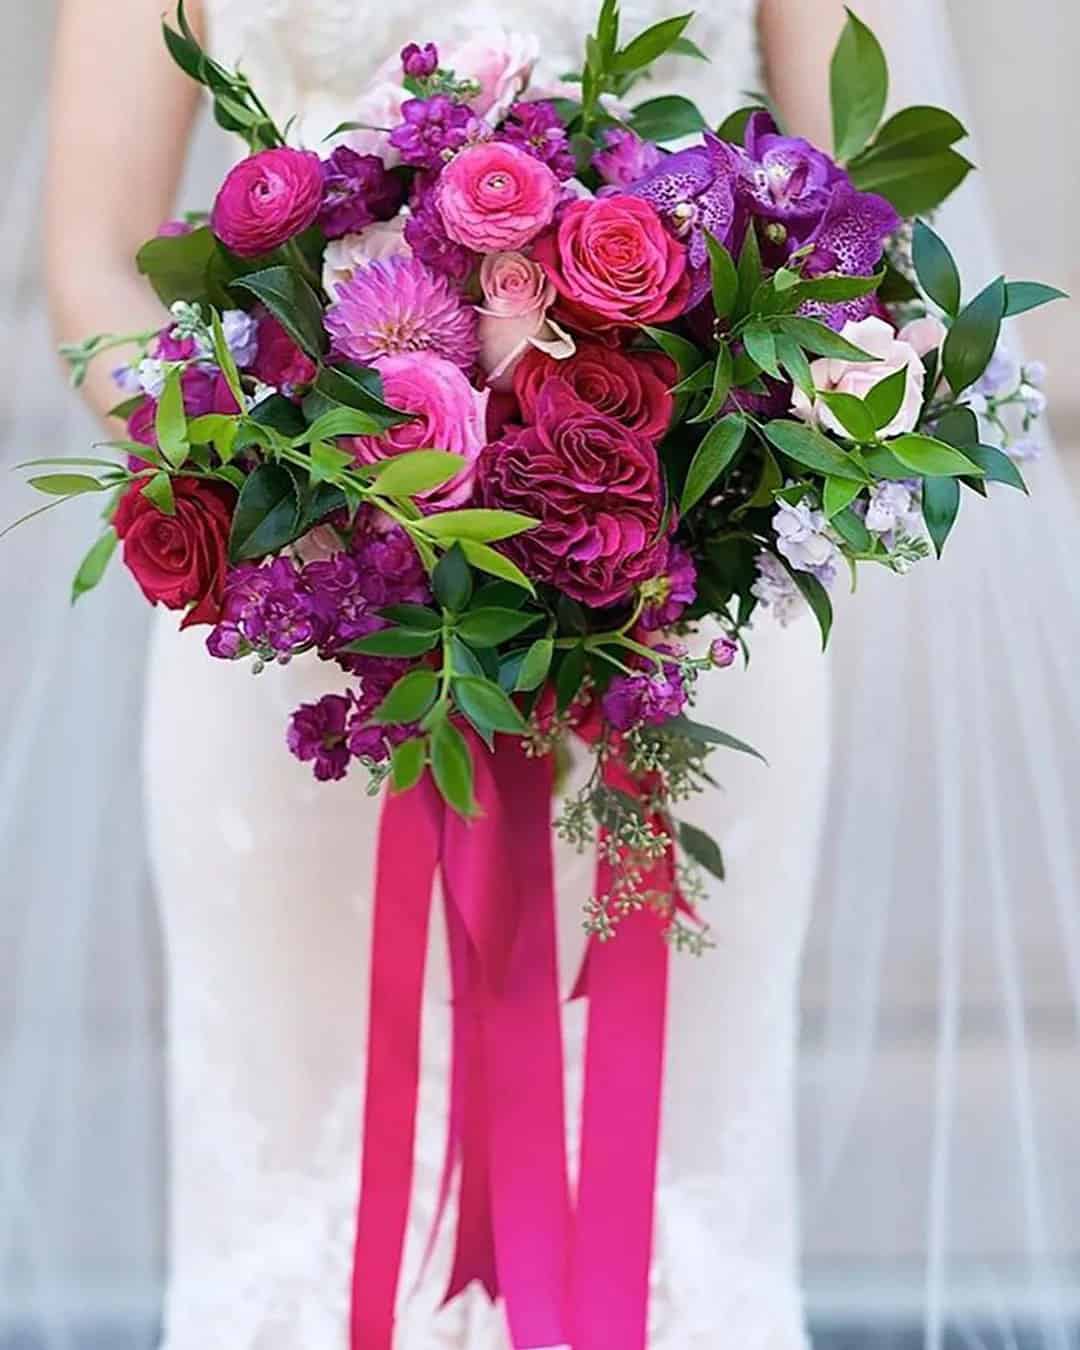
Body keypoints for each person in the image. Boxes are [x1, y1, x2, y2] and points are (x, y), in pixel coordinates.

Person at [38, 0, 1080, 1347]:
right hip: (305, 617)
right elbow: (93, 269)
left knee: (660, 1202)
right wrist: (306, 486)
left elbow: (862, 240)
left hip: (675, 626)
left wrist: (690, 472)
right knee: (306, 1203)